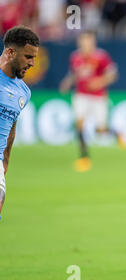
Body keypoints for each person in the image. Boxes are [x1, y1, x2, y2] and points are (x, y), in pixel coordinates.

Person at [59, 30, 125, 172]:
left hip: (98, 97)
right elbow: (73, 74)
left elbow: (113, 75)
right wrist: (67, 82)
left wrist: (99, 82)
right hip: (81, 95)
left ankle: (116, 133)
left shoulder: (101, 57)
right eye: (83, 41)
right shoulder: (75, 57)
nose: (85, 44)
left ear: (93, 42)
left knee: (100, 130)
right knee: (79, 124)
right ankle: (84, 158)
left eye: (88, 41)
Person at [0, 26, 39, 219]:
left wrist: (5, 160)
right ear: (10, 52)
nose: (32, 63)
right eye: (28, 57)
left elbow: (11, 127)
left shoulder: (24, 91)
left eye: (34, 57)